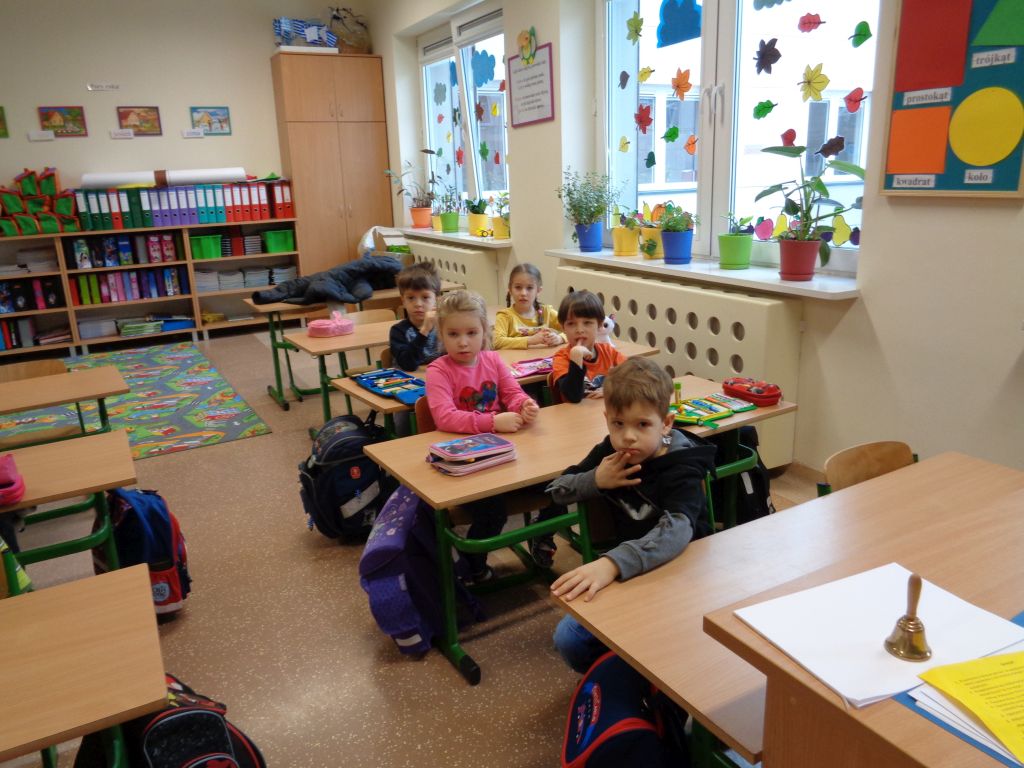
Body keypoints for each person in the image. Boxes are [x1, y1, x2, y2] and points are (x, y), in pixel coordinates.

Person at [544, 357, 717, 673]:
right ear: (607, 419)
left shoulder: (682, 466)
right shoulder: (611, 453)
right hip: (631, 572)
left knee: (682, 644)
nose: (628, 437)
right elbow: (556, 490)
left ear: (666, 423)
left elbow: (678, 531)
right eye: (618, 424)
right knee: (569, 639)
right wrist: (596, 480)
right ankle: (625, 672)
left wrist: (612, 563)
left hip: (683, 572)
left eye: (642, 425)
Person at [425, 290, 540, 582]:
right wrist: (492, 422)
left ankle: (543, 538)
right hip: (466, 463)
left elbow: (512, 392)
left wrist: (524, 405)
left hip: (501, 455)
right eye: (453, 334)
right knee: (492, 512)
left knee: (561, 484)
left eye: (471, 333)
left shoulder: (493, 360)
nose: (463, 342)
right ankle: (472, 567)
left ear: (484, 333)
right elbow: (445, 417)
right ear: (442, 335)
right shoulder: (438, 370)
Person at [551, 290, 627, 403]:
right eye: (571, 324)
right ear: (563, 328)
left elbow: (635, 378)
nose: (579, 330)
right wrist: (576, 359)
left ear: (599, 325)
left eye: (587, 323)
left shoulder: (609, 352)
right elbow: (573, 396)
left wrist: (612, 390)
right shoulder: (561, 358)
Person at [492, 263, 565, 349]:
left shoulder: (546, 312)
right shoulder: (505, 316)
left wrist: (560, 338)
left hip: (542, 357)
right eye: (518, 287)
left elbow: (573, 327)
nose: (523, 293)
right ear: (510, 289)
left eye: (529, 288)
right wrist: (531, 340)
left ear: (538, 291)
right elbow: (497, 342)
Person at [389, 262, 442, 372]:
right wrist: (424, 330)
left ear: (436, 299)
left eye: (425, 297)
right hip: (409, 379)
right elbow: (409, 365)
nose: (418, 304)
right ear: (403, 301)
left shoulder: (443, 327)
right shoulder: (398, 331)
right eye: (411, 298)